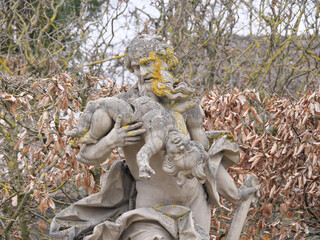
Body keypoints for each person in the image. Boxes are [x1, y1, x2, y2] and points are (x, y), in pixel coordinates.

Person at [50, 35, 258, 240]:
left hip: (195, 205)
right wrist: (111, 140)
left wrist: (235, 194)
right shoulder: (123, 108)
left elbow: (206, 154)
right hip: (150, 210)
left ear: (165, 61)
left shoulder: (187, 104)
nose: (143, 72)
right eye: (136, 67)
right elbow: (86, 156)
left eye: (148, 64)